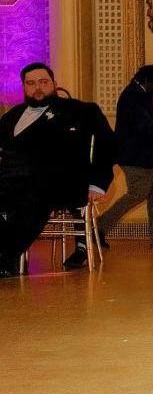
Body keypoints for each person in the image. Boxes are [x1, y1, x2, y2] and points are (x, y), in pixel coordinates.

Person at [0, 63, 116, 275]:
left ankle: (5, 259)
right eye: (31, 83)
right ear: (24, 87)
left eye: (43, 82)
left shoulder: (81, 111)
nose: (38, 88)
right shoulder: (12, 117)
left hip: (61, 183)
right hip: (11, 182)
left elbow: (107, 145)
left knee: (32, 196)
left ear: (54, 84)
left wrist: (97, 184)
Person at [95, 65, 153, 248]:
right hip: (137, 158)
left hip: (149, 158)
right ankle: (99, 227)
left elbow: (145, 126)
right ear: (146, 80)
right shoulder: (133, 96)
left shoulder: (139, 95)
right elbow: (143, 127)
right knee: (137, 194)